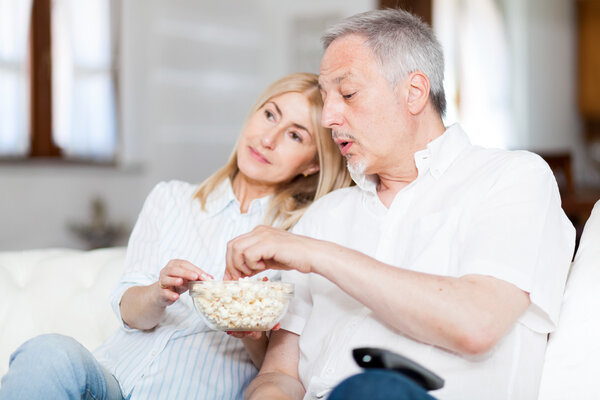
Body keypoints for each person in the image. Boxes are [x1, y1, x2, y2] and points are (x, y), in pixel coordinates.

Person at [225, 9, 575, 400]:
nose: (328, 117)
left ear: (414, 92)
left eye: (348, 93)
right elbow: (280, 375)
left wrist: (317, 255)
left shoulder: (511, 178)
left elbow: (476, 324)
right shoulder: (327, 215)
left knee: (374, 389)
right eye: (325, 97)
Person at [0, 72, 352, 400]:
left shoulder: (299, 237)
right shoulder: (170, 198)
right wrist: (158, 293)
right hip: (111, 382)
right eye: (270, 115)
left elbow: (277, 372)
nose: (267, 139)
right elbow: (130, 311)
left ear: (313, 164)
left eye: (295, 135)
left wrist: (251, 332)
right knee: (48, 352)